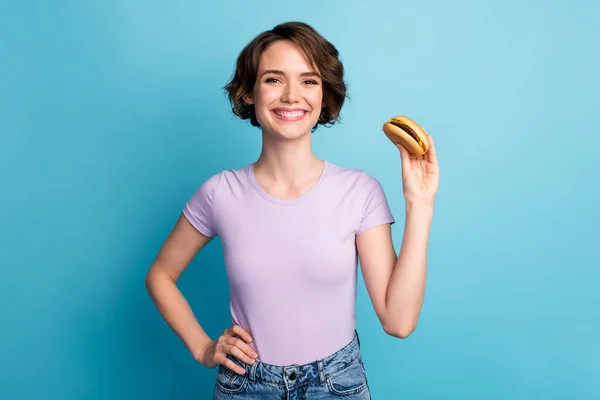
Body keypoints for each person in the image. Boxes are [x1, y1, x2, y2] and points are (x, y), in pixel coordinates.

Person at [145, 21, 439, 399]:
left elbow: (399, 322)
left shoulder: (359, 191)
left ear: (324, 94)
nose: (291, 95)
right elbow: (160, 276)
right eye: (273, 80)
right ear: (249, 93)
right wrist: (204, 348)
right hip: (246, 385)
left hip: (336, 384)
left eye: (308, 81)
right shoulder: (220, 193)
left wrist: (420, 204)